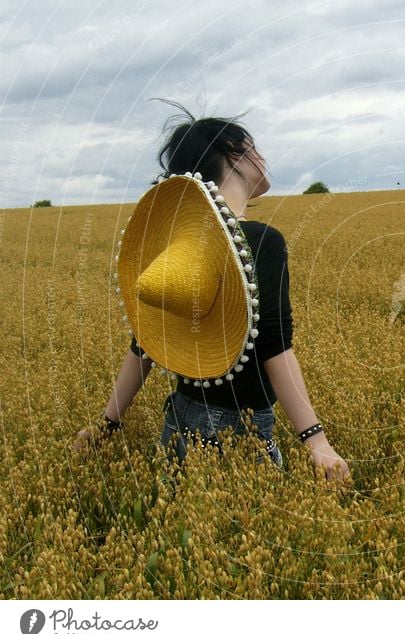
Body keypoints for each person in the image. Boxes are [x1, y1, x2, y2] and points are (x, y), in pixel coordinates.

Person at [73, 99, 351, 485]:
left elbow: (147, 342)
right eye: (254, 147)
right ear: (235, 154)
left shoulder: (181, 244)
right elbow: (274, 345)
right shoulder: (260, 241)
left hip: (177, 424)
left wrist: (107, 424)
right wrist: (316, 440)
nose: (262, 157)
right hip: (237, 430)